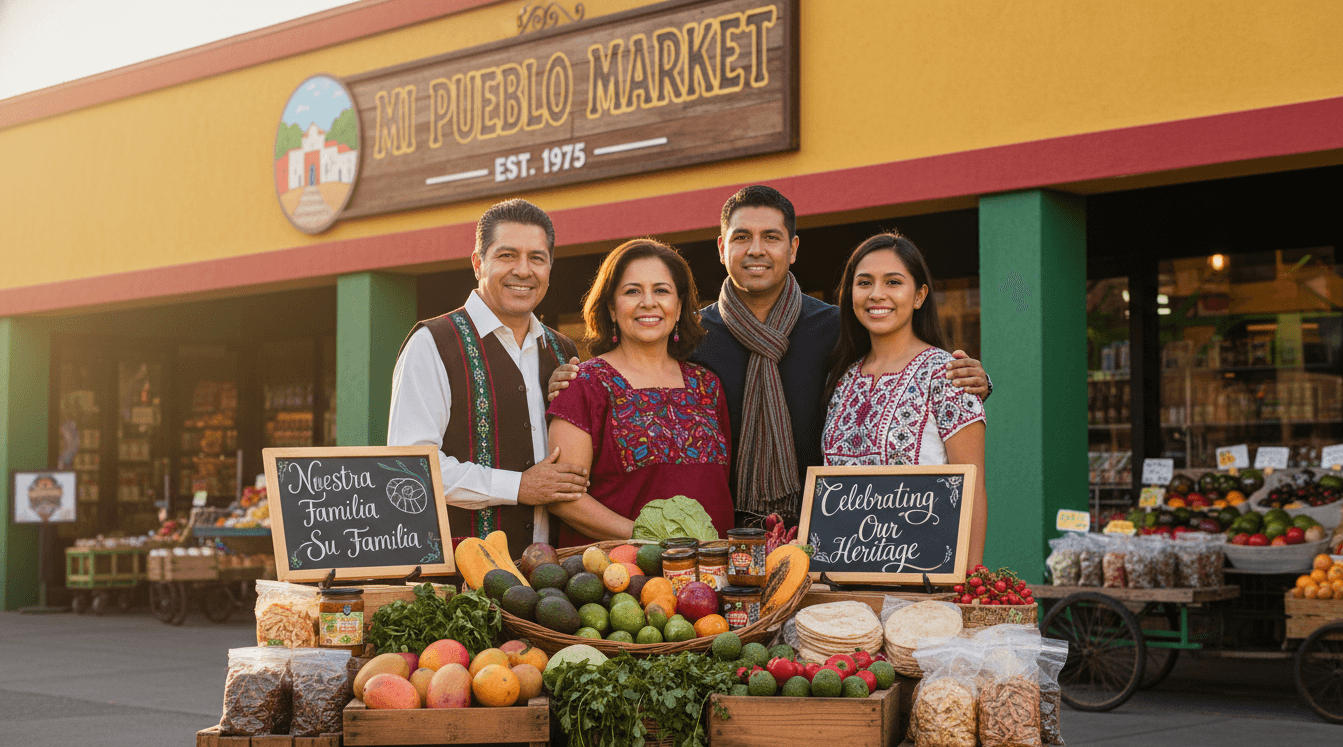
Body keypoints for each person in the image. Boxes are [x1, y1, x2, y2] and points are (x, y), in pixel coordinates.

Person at [550, 186, 991, 528]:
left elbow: (899, 367)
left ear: (793, 249)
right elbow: (633, 371)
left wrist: (972, 380)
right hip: (725, 538)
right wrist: (572, 381)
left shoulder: (838, 328)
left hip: (825, 533)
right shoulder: (690, 335)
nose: (756, 249)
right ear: (722, 249)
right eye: (741, 237)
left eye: (771, 237)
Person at [386, 199, 589, 561]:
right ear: (479, 262)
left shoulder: (562, 350)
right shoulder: (432, 342)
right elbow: (412, 467)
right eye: (508, 255)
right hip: (460, 587)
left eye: (537, 258)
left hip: (555, 584)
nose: (524, 271)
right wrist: (519, 487)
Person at [545, 239, 734, 545]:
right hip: (622, 580)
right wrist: (654, 539)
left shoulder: (707, 385)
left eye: (661, 290)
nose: (648, 302)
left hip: (712, 576)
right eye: (632, 291)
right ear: (611, 307)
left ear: (680, 305)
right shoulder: (583, 385)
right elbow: (564, 498)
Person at [822, 232, 988, 565]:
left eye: (893, 282)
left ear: (919, 295)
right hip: (845, 583)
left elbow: (971, 492)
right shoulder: (843, 379)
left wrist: (967, 588)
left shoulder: (949, 375)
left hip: (924, 583)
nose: (877, 294)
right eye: (864, 283)